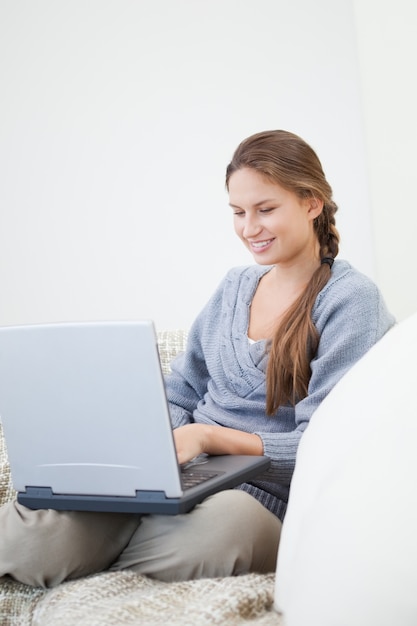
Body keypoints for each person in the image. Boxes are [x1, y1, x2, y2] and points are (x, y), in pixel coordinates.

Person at [0, 129, 395, 588]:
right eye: (238, 212)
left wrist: (209, 435)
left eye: (266, 210)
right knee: (37, 537)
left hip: (256, 496)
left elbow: (324, 446)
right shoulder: (234, 287)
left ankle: (101, 559)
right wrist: (147, 449)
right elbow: (181, 388)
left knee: (217, 534)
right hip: (180, 475)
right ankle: (101, 535)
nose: (250, 228)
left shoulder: (350, 301)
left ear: (312, 203)